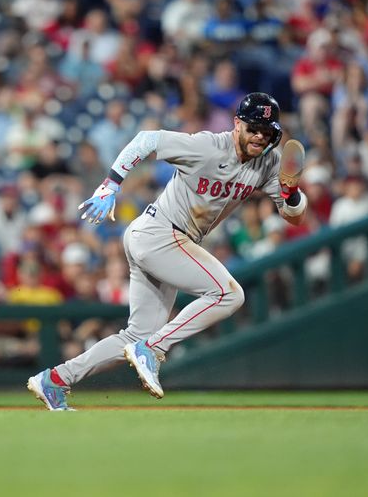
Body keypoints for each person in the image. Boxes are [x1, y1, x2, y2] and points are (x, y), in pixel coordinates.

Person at [27, 92, 308, 410]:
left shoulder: (268, 162)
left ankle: (54, 380)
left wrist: (292, 191)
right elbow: (147, 139)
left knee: (135, 337)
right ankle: (155, 349)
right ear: (237, 124)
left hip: (164, 241)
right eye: (254, 127)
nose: (260, 136)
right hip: (160, 233)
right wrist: (110, 185)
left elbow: (293, 215)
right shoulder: (208, 146)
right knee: (229, 294)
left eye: (267, 131)